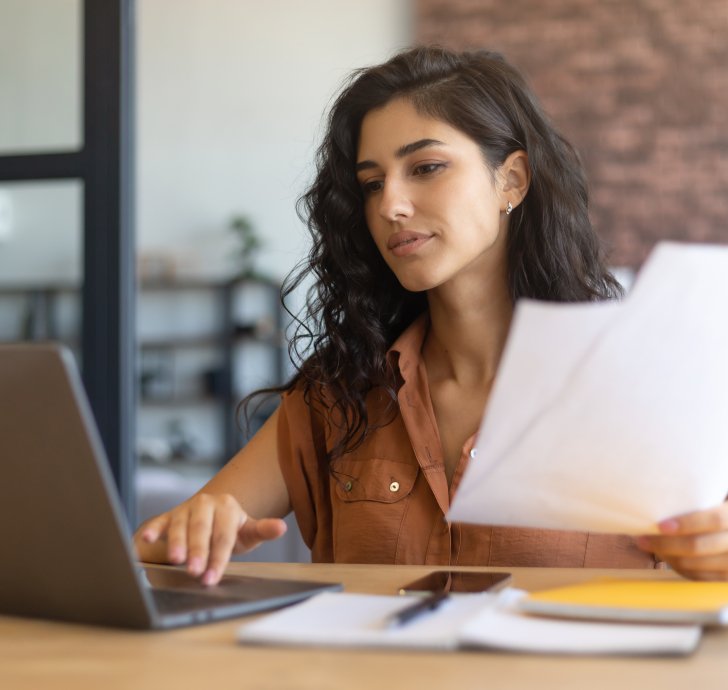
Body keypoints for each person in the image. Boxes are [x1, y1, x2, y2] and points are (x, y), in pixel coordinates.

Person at [135, 46, 728, 584]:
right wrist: (196, 527)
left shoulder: (644, 387)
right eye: (371, 184)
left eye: (426, 168)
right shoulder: (338, 394)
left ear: (511, 180)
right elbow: (153, 550)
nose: (391, 204)